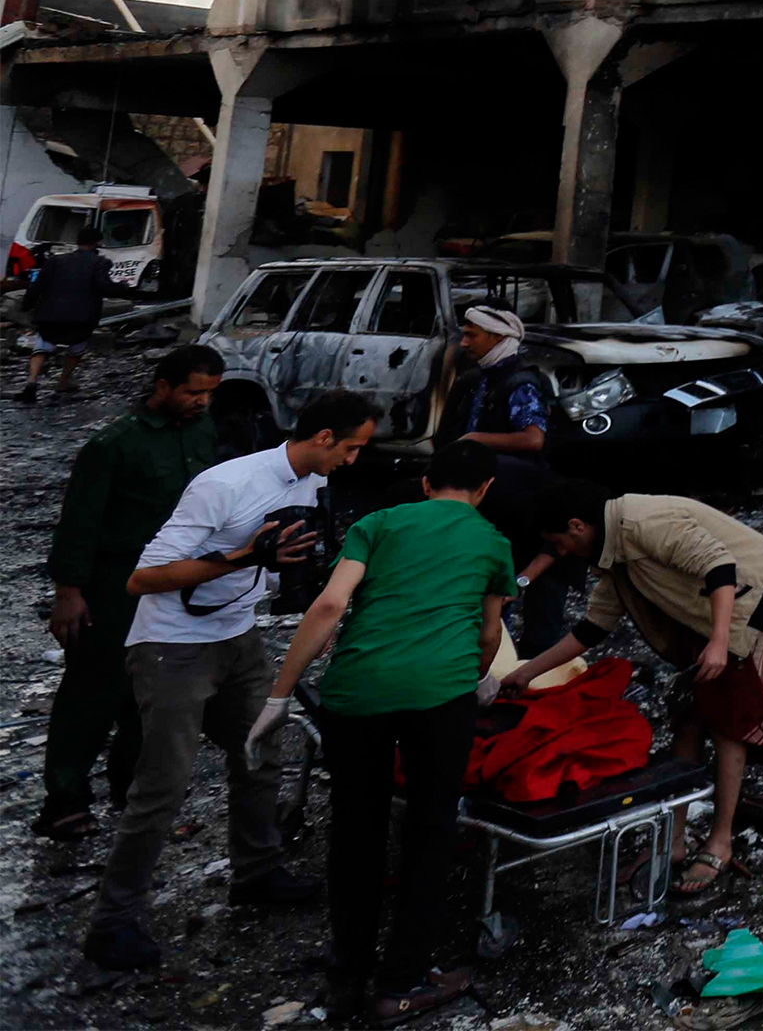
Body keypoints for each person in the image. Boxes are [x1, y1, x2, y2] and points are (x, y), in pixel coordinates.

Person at [83, 388, 375, 971]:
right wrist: (246, 556)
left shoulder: (308, 484)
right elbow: (142, 580)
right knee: (163, 785)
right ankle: (112, 923)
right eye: (351, 448)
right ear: (322, 439)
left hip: (236, 638)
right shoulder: (225, 485)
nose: (353, 461)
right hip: (172, 646)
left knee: (260, 752)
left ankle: (257, 871)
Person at [251, 438, 515, 1023]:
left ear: (426, 483)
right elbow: (489, 636)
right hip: (438, 699)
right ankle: (400, 983)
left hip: (354, 694)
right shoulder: (494, 543)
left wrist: (277, 696)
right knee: (428, 832)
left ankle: (347, 973)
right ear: (485, 490)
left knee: (355, 832)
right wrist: (470, 678)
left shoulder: (377, 522)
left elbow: (328, 607)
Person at [500, 485, 763, 900]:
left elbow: (721, 567)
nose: (560, 552)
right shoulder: (610, 552)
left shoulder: (643, 523)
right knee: (687, 719)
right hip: (701, 609)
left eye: (558, 542)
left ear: (577, 526)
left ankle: (720, 841)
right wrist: (526, 674)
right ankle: (671, 842)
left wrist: (720, 643)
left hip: (746, 597)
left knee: (730, 723)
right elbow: (593, 627)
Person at [36, 346, 223, 840]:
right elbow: (79, 522)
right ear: (163, 387)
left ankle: (133, 797)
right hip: (113, 584)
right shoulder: (114, 444)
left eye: (209, 393)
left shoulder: (204, 432)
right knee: (92, 692)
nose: (201, 401)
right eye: (192, 391)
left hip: (172, 583)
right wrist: (69, 593)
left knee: (154, 695)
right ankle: (65, 802)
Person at [434, 306, 571, 649]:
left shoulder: (520, 381)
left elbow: (533, 437)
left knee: (538, 593)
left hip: (523, 498)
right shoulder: (478, 377)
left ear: (498, 337)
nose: (464, 343)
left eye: (472, 335)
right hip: (490, 497)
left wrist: (476, 441)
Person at [14, 222, 133, 403]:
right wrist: (123, 288)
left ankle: (31, 382)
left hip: (50, 314)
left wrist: (27, 305)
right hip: (81, 317)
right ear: (98, 243)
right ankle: (63, 382)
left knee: (43, 346)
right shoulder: (100, 262)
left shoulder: (55, 261)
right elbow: (105, 287)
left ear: (77, 242)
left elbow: (37, 285)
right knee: (76, 349)